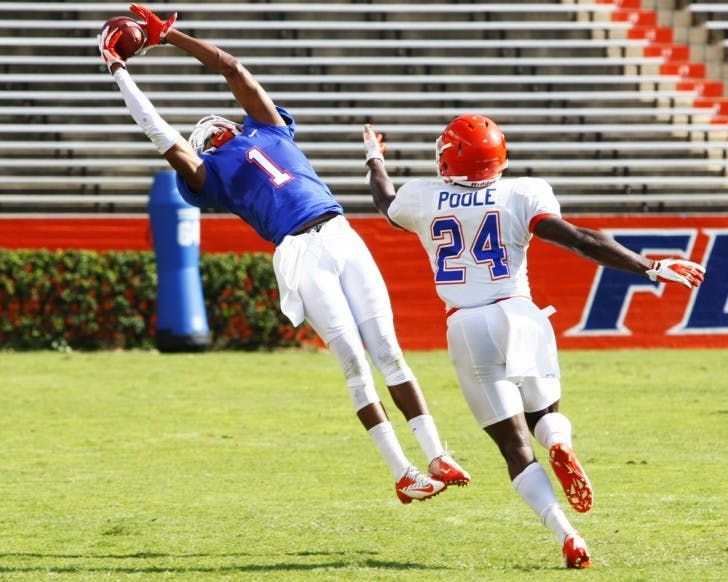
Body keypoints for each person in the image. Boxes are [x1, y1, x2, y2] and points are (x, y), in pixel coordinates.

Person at [97, 4, 471, 504]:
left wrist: (171, 37)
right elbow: (158, 130)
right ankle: (402, 471)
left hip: (339, 230)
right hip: (298, 251)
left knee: (389, 349)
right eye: (205, 134)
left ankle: (436, 454)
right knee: (355, 363)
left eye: (217, 124)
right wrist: (119, 72)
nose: (213, 128)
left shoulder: (269, 130)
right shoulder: (212, 178)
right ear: (204, 147)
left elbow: (234, 69)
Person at [362, 115, 705, 567]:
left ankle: (569, 535)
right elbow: (582, 240)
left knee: (514, 447)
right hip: (521, 314)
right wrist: (651, 268)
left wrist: (374, 158)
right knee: (545, 417)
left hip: (467, 323)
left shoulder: (422, 197)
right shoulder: (523, 191)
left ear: (449, 157)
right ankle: (559, 440)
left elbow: (385, 201)